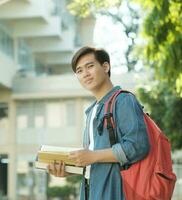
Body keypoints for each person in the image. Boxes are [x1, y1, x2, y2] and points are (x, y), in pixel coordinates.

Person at [47, 46, 150, 200]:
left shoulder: (123, 100)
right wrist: (69, 169)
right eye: (79, 71)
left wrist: (93, 156)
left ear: (105, 66)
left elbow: (137, 145)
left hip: (117, 193)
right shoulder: (92, 112)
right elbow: (96, 161)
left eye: (90, 66)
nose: (85, 74)